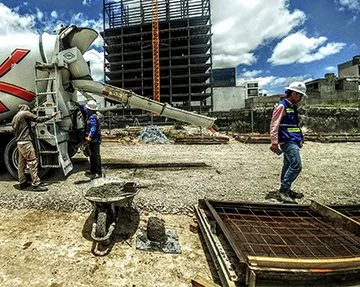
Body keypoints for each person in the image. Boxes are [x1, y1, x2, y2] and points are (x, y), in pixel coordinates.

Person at [269, 82, 306, 203]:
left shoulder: (292, 107)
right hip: (286, 140)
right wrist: (274, 141)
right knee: (296, 165)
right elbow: (274, 124)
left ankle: (286, 188)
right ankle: (284, 191)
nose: (300, 98)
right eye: (300, 96)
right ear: (294, 93)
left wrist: (299, 139)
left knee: (288, 165)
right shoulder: (282, 106)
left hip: (292, 139)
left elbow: (294, 125)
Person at [11, 104, 57, 191]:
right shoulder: (25, 113)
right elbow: (37, 119)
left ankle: (22, 182)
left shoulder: (15, 117)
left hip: (19, 143)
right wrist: (51, 116)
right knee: (32, 163)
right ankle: (36, 184)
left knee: (22, 164)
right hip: (26, 143)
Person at [74, 99, 102, 178]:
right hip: (93, 140)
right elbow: (84, 109)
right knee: (91, 155)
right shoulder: (90, 113)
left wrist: (89, 136)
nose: (87, 109)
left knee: (95, 156)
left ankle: (98, 172)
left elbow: (93, 128)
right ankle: (93, 170)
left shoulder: (92, 117)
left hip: (94, 140)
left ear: (90, 109)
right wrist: (78, 105)